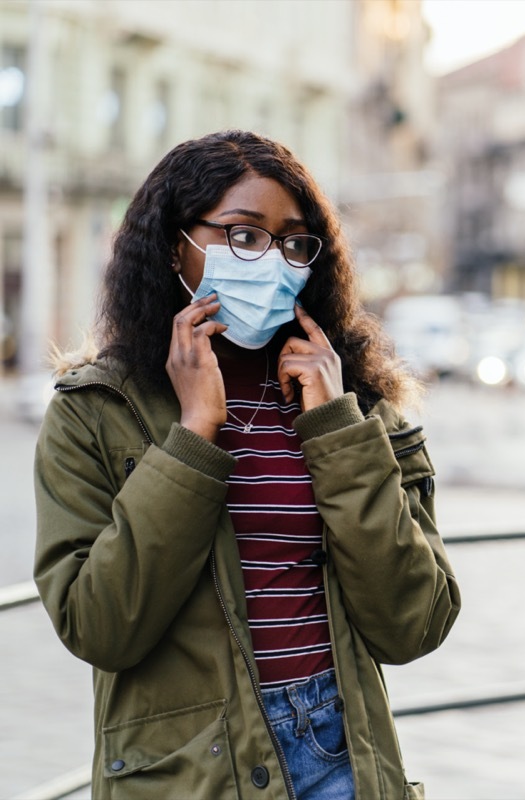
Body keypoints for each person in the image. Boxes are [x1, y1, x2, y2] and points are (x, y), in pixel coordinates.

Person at [34, 130, 460, 800]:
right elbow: (99, 627)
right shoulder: (94, 411)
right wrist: (193, 436)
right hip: (190, 772)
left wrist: (336, 429)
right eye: (242, 234)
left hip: (343, 756)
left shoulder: (354, 406)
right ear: (175, 245)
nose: (272, 261)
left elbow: (415, 624)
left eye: (293, 242)